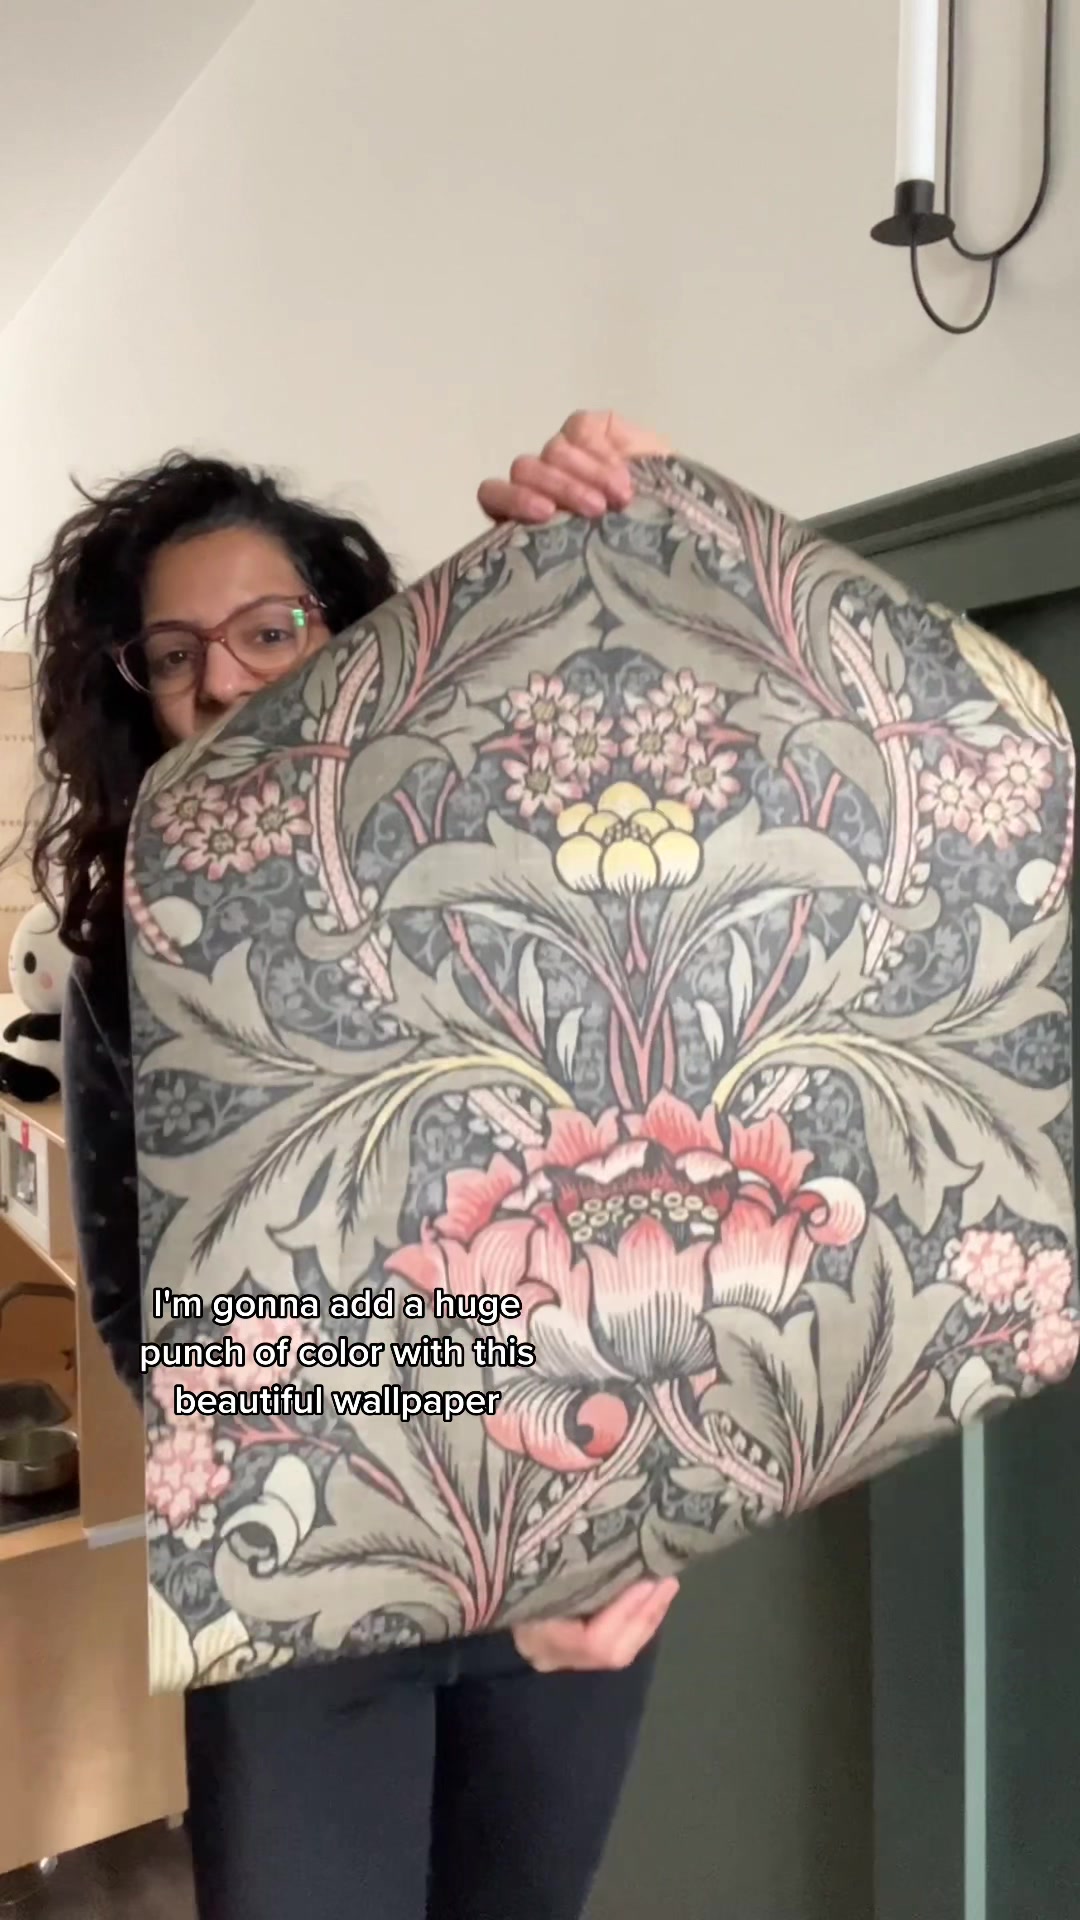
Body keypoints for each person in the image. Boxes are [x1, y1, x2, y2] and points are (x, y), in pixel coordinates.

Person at [27, 411, 680, 1920]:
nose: (223, 680)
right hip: (297, 1595)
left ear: (345, 637)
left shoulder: (510, 869)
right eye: (174, 655)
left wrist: (618, 553)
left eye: (267, 629)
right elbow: (155, 1332)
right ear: (140, 697)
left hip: (557, 1568)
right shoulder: (130, 965)